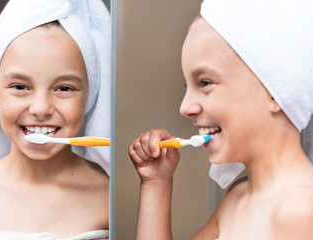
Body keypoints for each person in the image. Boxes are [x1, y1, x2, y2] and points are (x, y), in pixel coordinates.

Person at [128, 0, 313, 239]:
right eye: (188, 86)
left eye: (204, 83)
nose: (185, 107)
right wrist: (156, 183)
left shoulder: (300, 210)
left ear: (275, 92)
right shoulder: (237, 198)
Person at [0, 0, 110, 239]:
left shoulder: (112, 193)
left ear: (89, 97)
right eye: (20, 86)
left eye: (64, 88)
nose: (40, 109)